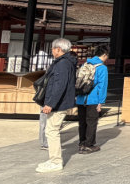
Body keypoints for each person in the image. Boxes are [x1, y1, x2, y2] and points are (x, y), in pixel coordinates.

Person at [37, 38, 77, 173]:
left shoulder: (62, 64)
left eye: (53, 49)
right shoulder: (67, 62)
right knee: (51, 130)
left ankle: (55, 161)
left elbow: (59, 85)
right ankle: (53, 159)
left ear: (58, 49)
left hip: (59, 103)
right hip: (61, 102)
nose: (52, 51)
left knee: (52, 131)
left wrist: (50, 103)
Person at [76, 44, 109, 154]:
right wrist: (101, 102)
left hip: (80, 98)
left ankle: (81, 143)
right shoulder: (102, 68)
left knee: (82, 122)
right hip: (93, 99)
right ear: (104, 55)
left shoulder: (85, 64)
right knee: (91, 122)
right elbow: (102, 86)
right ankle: (88, 145)